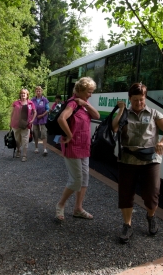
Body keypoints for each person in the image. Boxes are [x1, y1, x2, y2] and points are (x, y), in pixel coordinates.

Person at [112, 83, 163, 244]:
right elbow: (114, 128)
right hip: (127, 158)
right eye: (134, 100)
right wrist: (121, 110)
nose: (138, 103)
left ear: (145, 98)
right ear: (129, 99)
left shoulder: (154, 113)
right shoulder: (125, 114)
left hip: (150, 159)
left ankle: (151, 216)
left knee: (151, 193)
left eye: (141, 100)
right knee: (125, 194)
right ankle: (127, 225)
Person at [55, 77, 100, 221]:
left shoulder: (83, 103)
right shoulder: (73, 103)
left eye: (92, 92)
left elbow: (97, 115)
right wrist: (69, 135)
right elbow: (61, 119)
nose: (90, 95)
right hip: (73, 146)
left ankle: (78, 209)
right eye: (89, 92)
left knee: (85, 178)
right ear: (80, 90)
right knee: (76, 180)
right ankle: (60, 205)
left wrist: (85, 104)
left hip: (84, 146)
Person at [10, 88, 37, 162]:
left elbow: (35, 112)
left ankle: (24, 155)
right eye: (21, 93)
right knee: (17, 139)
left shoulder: (30, 103)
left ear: (27, 95)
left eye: (24, 93)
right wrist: (10, 122)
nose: (23, 95)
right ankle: (18, 150)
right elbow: (12, 113)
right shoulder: (16, 103)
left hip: (26, 124)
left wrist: (32, 120)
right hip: (16, 124)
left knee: (25, 140)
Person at [31, 86, 50, 156]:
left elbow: (48, 109)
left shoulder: (45, 100)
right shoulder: (32, 100)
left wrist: (42, 115)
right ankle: (36, 147)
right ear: (35, 92)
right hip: (35, 118)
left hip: (43, 118)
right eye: (37, 91)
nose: (38, 92)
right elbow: (30, 109)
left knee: (44, 133)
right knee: (35, 133)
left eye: (39, 91)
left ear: (41, 92)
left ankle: (45, 149)